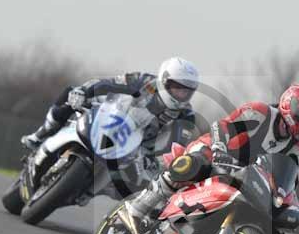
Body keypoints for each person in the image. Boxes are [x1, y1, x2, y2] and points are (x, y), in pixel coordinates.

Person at [120, 83, 299, 234]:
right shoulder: (261, 113)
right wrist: (220, 149)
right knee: (193, 164)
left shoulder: (297, 149)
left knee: (272, 223)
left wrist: (285, 201)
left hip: (246, 176)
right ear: (290, 106)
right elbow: (224, 126)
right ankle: (138, 208)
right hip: (217, 151)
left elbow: (289, 179)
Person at [21, 57, 200, 169]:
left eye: (186, 91)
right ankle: (41, 134)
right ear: (164, 80)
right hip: (114, 115)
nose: (181, 94)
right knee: (71, 93)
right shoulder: (144, 81)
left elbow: (178, 146)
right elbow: (108, 83)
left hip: (139, 148)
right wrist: (84, 92)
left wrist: (159, 161)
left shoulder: (186, 114)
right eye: (177, 87)